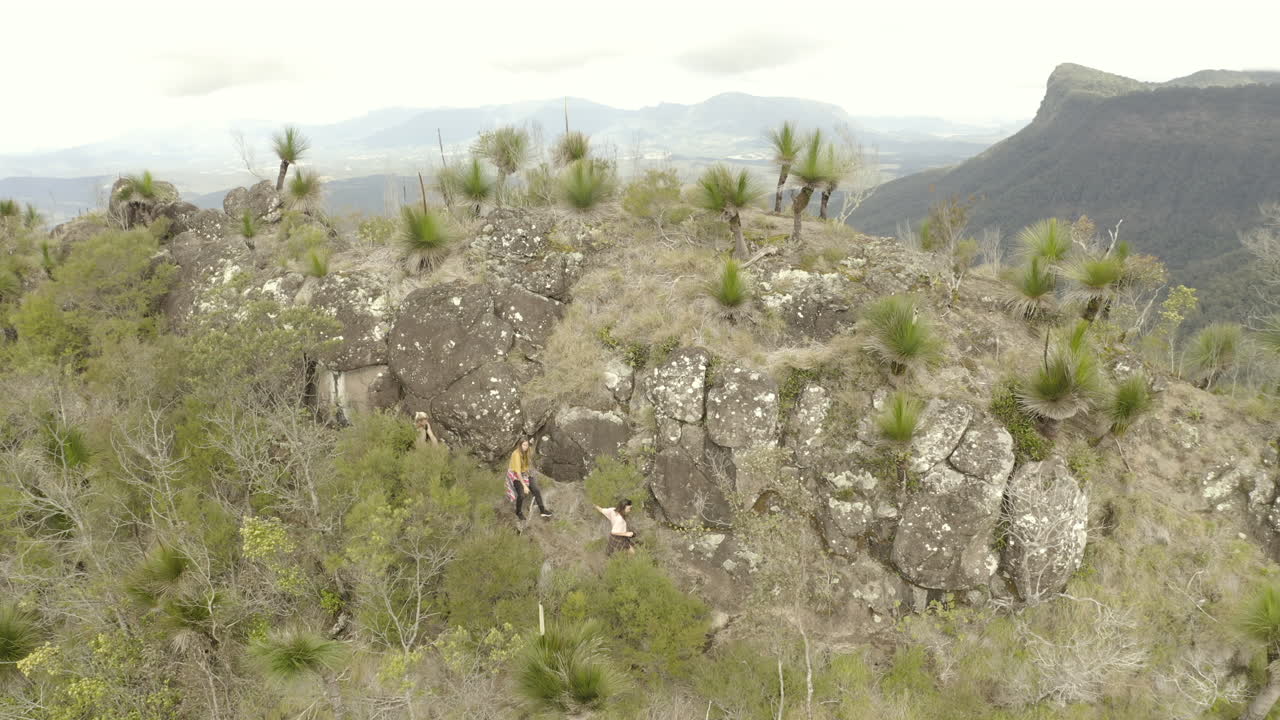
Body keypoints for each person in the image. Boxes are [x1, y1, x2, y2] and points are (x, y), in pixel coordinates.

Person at [507, 438, 552, 521]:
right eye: (524, 445)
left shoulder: (527, 450)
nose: (526, 447)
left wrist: (531, 442)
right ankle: (518, 512)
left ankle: (542, 511)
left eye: (527, 445)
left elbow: (531, 447)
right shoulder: (516, 454)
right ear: (520, 445)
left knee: (536, 490)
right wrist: (524, 486)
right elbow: (518, 472)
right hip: (516, 475)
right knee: (521, 495)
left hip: (525, 472)